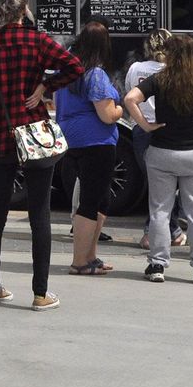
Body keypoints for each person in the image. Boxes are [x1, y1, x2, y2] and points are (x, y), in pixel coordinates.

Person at [0, 0, 83, 311]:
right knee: (39, 214)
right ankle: (40, 293)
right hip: (35, 136)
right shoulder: (38, 42)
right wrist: (45, 86)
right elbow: (75, 66)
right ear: (24, 10)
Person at [124, 34, 193, 285]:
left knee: (160, 211)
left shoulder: (160, 79)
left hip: (161, 152)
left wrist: (145, 125)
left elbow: (130, 99)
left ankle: (157, 264)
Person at [55, 21, 122, 276]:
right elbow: (106, 114)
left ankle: (90, 256)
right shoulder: (95, 74)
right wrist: (119, 110)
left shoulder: (67, 72)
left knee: (99, 199)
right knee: (91, 201)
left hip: (73, 142)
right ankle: (80, 261)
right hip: (97, 143)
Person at [125, 28, 187, 249]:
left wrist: (143, 123)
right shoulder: (175, 71)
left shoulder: (135, 69)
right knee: (166, 184)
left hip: (141, 130)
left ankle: (164, 231)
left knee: (156, 184)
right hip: (168, 130)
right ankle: (162, 233)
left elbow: (128, 96)